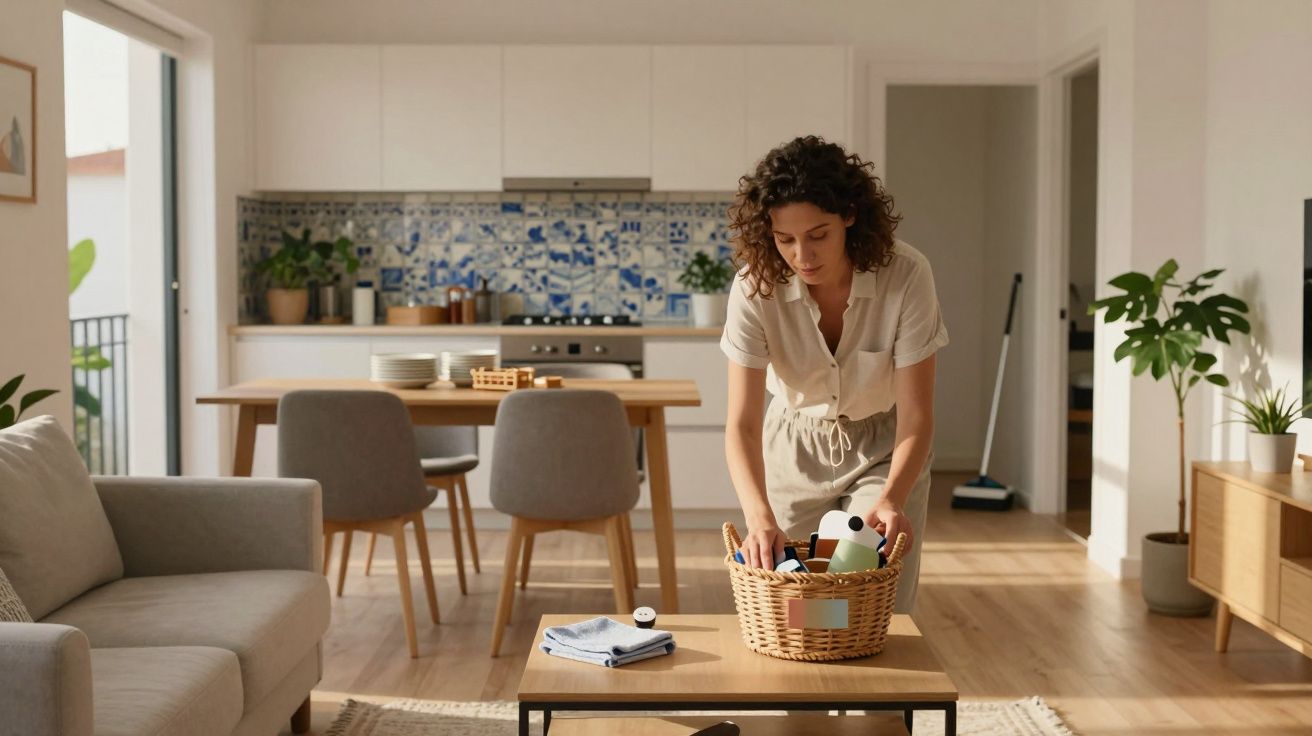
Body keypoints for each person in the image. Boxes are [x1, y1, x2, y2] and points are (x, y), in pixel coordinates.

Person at [720, 135, 949, 613]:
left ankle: (872, 689)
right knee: (794, 606)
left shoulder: (906, 276)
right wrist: (758, 516)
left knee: (868, 597)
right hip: (791, 448)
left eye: (818, 234)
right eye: (785, 240)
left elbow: (917, 415)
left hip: (883, 449)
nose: (802, 255)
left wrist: (892, 500)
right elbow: (741, 424)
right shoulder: (753, 288)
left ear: (849, 214)